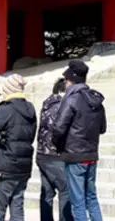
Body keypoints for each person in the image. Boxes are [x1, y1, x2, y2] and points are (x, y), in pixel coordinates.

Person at [52, 59, 107, 221]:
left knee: (78, 202)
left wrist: (58, 145)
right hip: (91, 154)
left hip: (75, 155)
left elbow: (58, 128)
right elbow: (102, 128)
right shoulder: (96, 100)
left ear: (70, 80)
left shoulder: (71, 99)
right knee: (91, 198)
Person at [0, 74, 37, 221]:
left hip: (4, 167)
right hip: (23, 166)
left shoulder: (4, 109)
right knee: (17, 209)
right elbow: (31, 136)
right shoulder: (30, 109)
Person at [36, 78, 73, 221]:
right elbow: (60, 131)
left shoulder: (47, 103)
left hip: (42, 154)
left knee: (47, 192)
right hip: (54, 154)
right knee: (65, 190)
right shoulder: (61, 106)